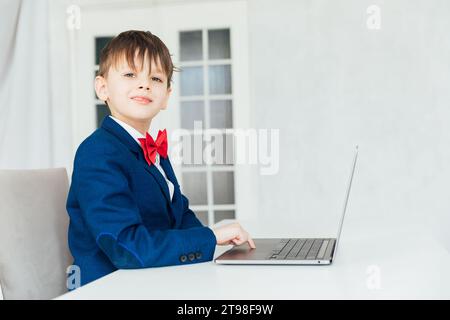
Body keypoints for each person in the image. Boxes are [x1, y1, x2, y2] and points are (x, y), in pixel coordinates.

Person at [66, 30, 255, 287]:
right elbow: (125, 246)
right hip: (109, 285)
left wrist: (214, 245)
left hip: (152, 277)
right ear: (102, 88)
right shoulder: (97, 153)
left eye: (155, 78)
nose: (144, 84)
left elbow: (179, 214)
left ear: (166, 95)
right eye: (130, 74)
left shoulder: (153, 149)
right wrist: (210, 236)